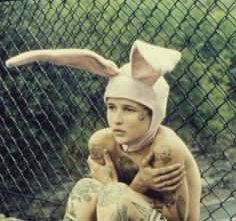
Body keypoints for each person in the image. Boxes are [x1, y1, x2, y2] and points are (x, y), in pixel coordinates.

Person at [6, 40, 201, 221]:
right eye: (111, 107)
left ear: (153, 114)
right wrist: (139, 184)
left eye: (129, 109)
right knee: (87, 187)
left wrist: (121, 190)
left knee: (114, 194)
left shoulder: (165, 148)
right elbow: (102, 202)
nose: (117, 119)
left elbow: (178, 217)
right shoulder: (102, 143)